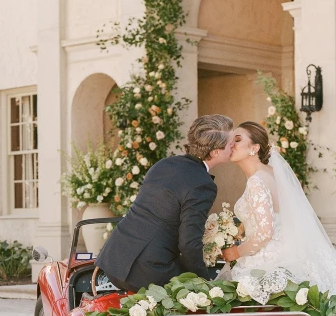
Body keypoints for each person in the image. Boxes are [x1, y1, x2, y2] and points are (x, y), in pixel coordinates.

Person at [219, 121, 336, 316]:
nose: (232, 144)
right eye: (231, 140)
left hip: (267, 259)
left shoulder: (256, 181)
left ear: (254, 148)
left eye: (238, 140)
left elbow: (265, 233)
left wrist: (235, 252)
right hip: (287, 250)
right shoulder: (271, 173)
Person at [96, 114, 234, 291]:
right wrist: (205, 283)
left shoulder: (164, 164)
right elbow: (189, 243)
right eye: (231, 145)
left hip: (114, 260)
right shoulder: (203, 184)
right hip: (148, 270)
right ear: (215, 152)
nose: (233, 148)